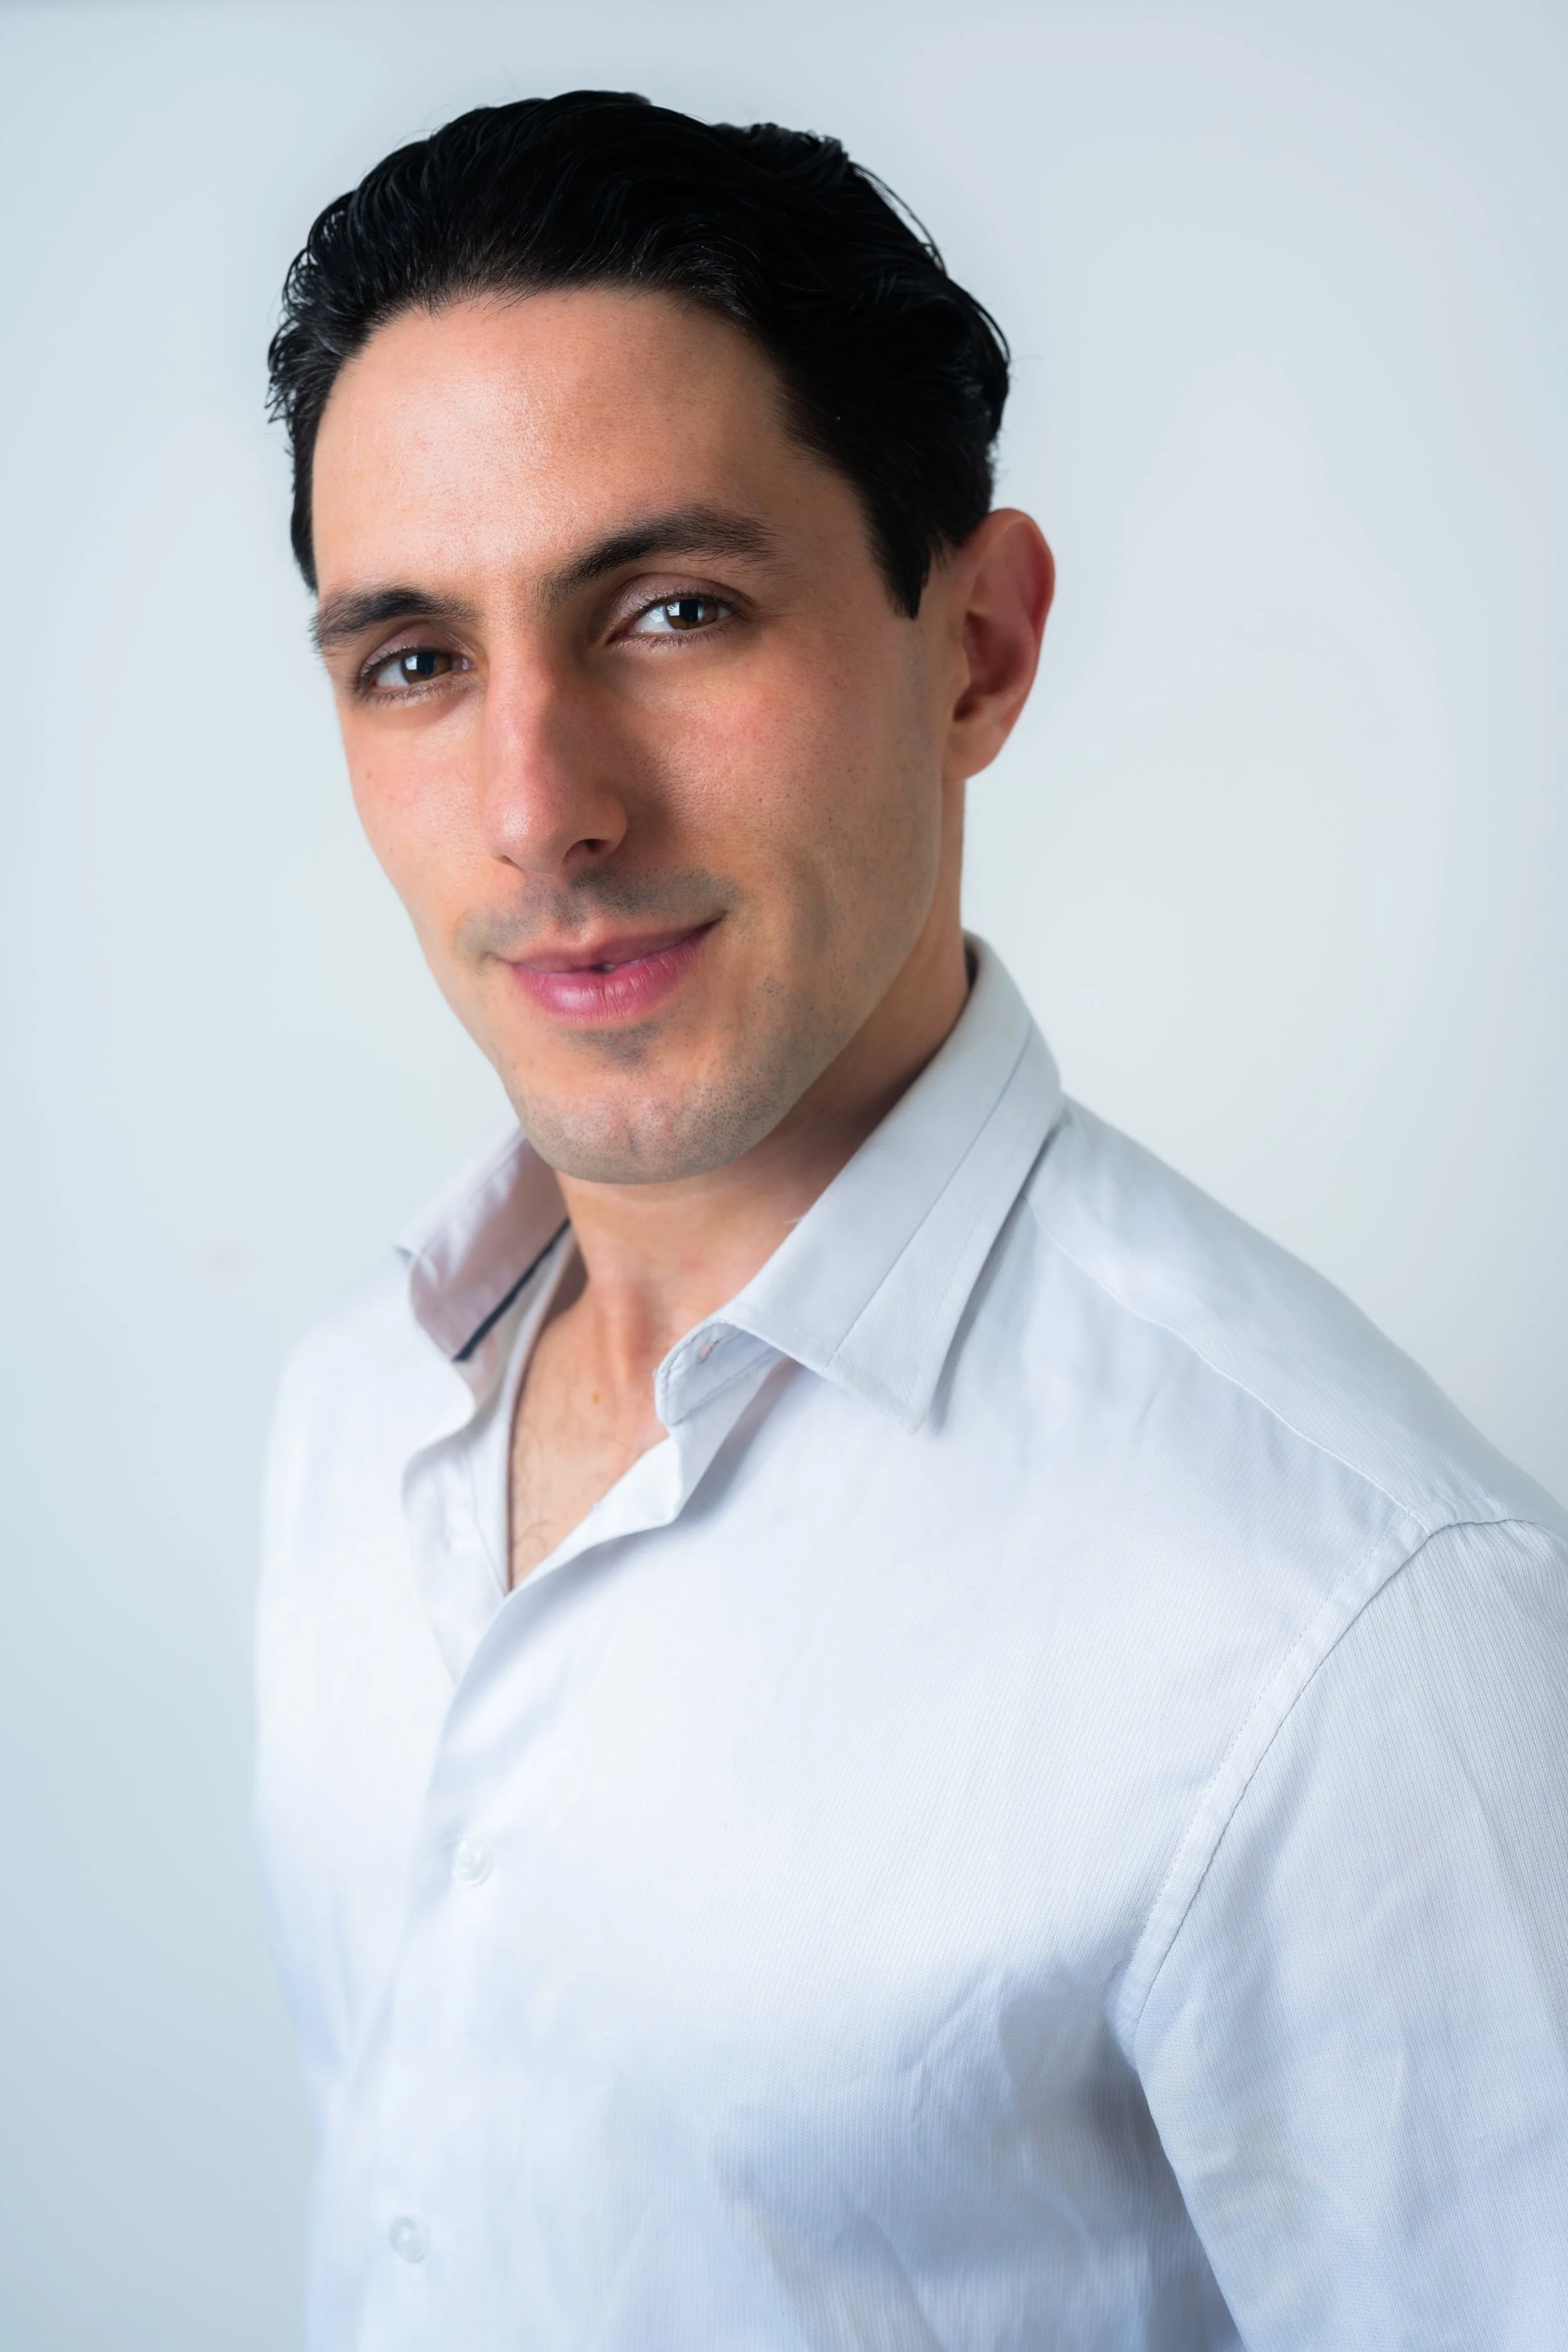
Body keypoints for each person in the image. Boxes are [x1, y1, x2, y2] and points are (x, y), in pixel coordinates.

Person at [256, 90, 1568, 2351]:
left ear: (976, 648)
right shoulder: (347, 1405)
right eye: (413, 658)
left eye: (672, 608)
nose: (533, 807)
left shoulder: (1354, 1630)